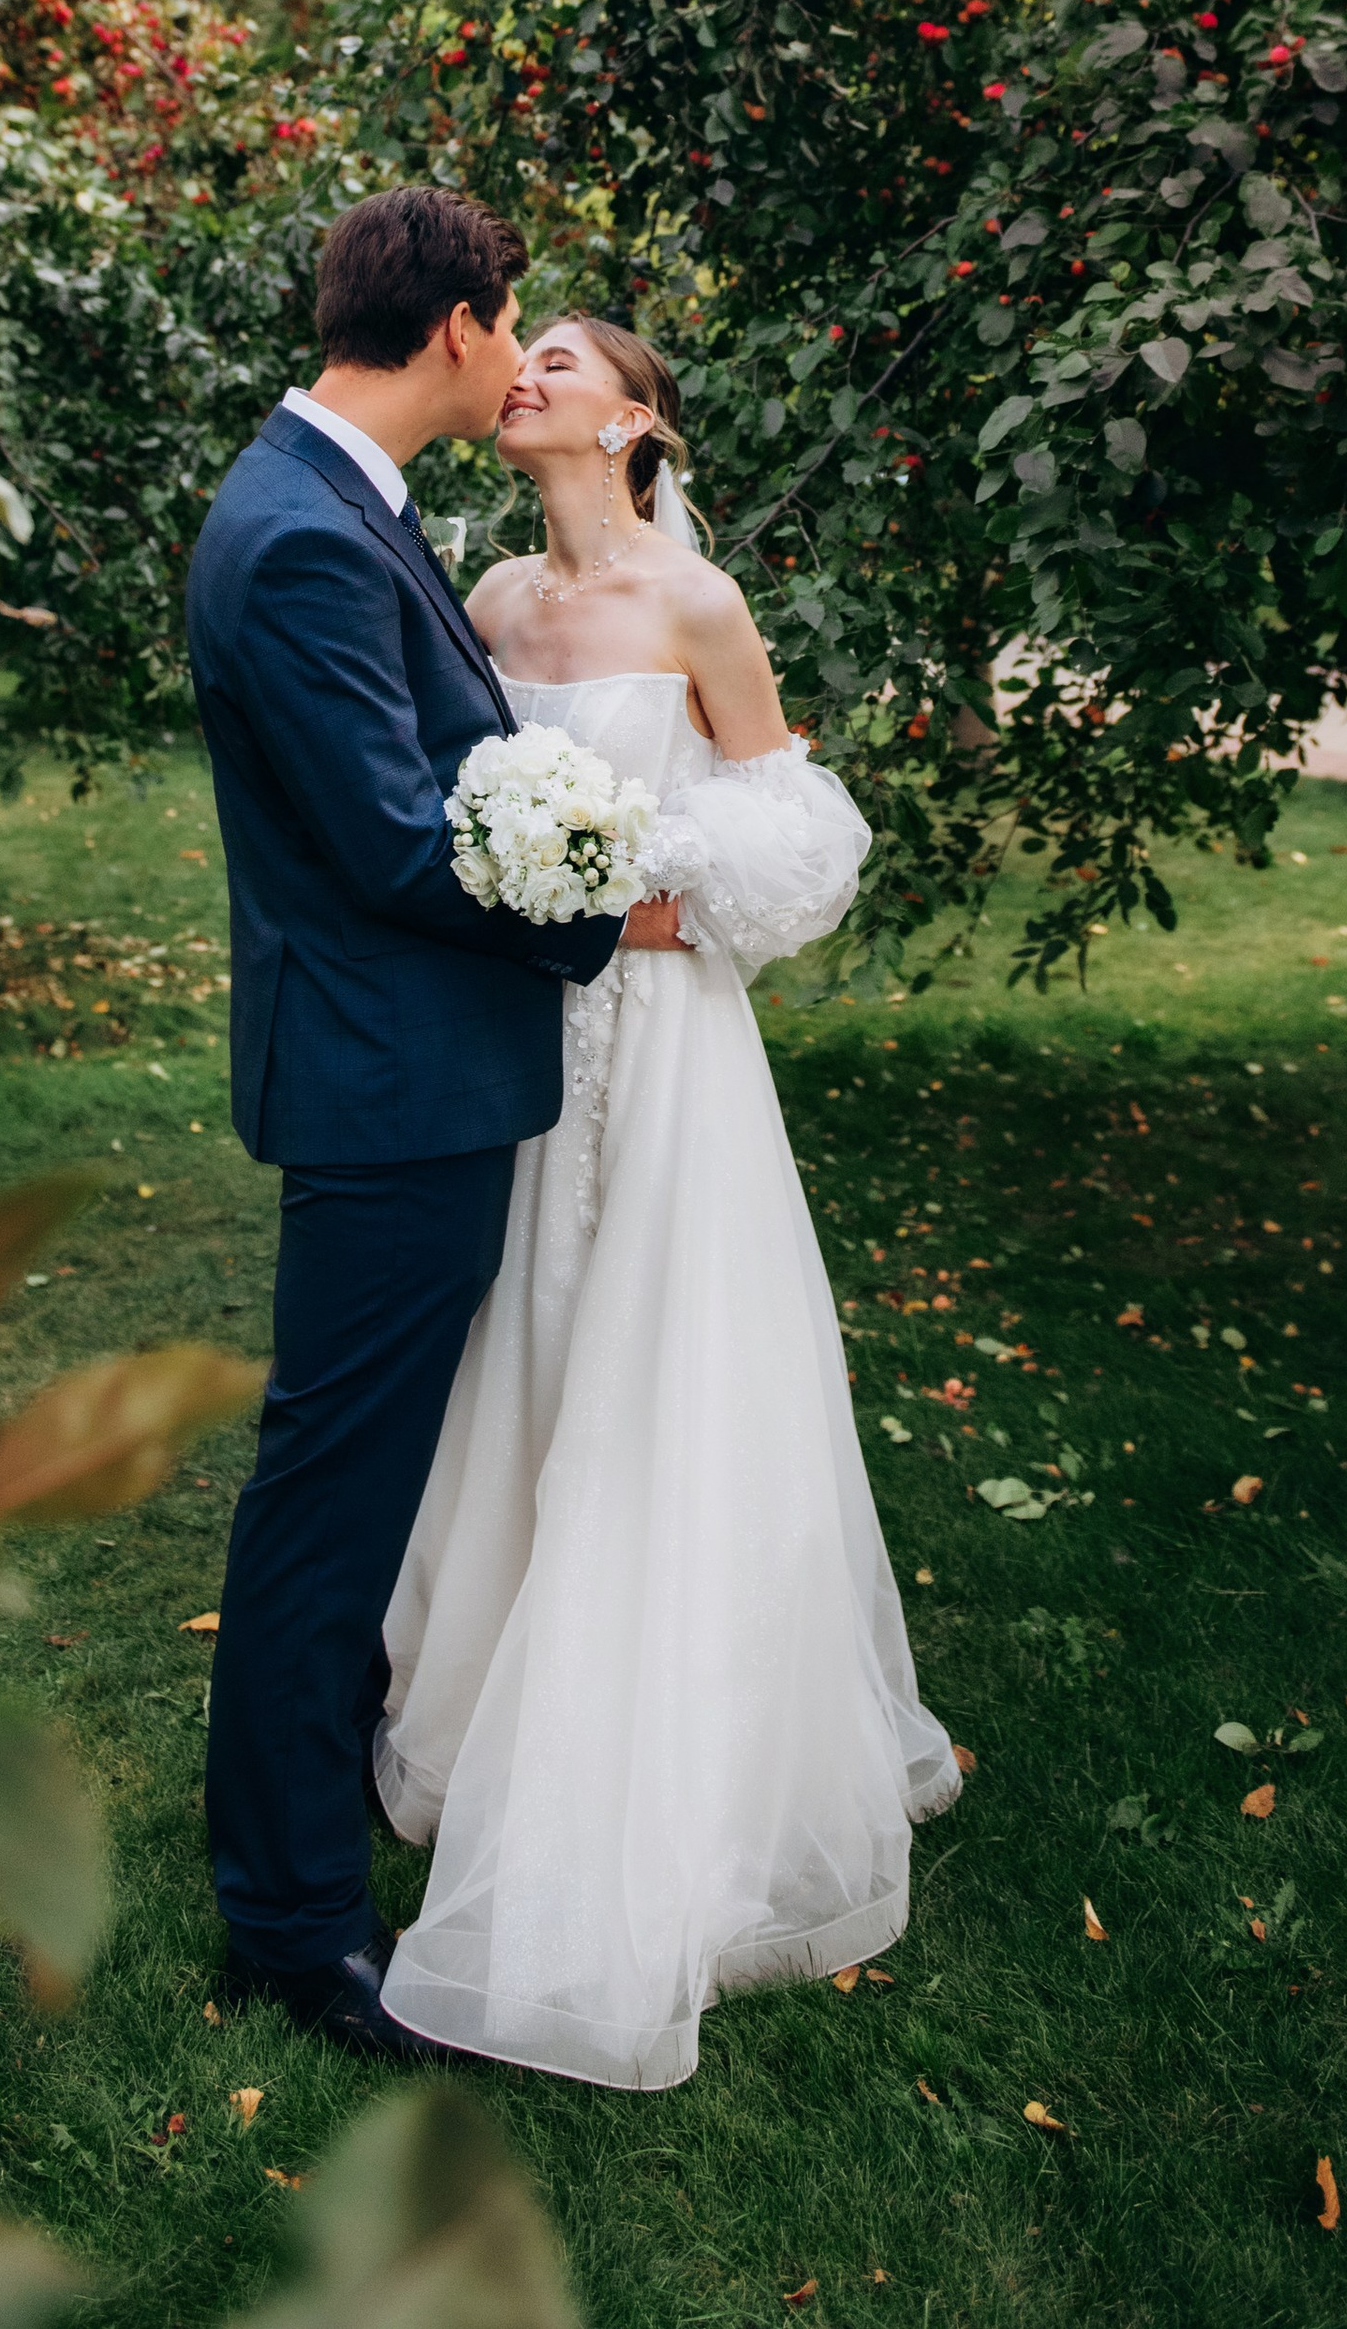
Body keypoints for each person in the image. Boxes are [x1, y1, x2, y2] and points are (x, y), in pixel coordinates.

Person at [372, 311, 960, 2089]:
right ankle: (491, 1723)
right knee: (526, 1348)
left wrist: (619, 890)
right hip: (515, 1047)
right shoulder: (482, 600)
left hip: (662, 1041)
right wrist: (507, 876)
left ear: (636, 422)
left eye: (562, 356)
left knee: (657, 1378)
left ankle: (675, 1772)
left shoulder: (699, 612)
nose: (526, 372)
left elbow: (797, 844)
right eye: (519, 352)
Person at [186, 190, 671, 2054]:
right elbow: (400, 839)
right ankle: (294, 1926)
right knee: (331, 1501)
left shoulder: (340, 505)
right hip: (389, 1088)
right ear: (464, 329)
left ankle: (294, 1868)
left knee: (352, 1485)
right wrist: (601, 906)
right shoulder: (300, 534)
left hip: (408, 1075)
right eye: (516, 324)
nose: (520, 351)